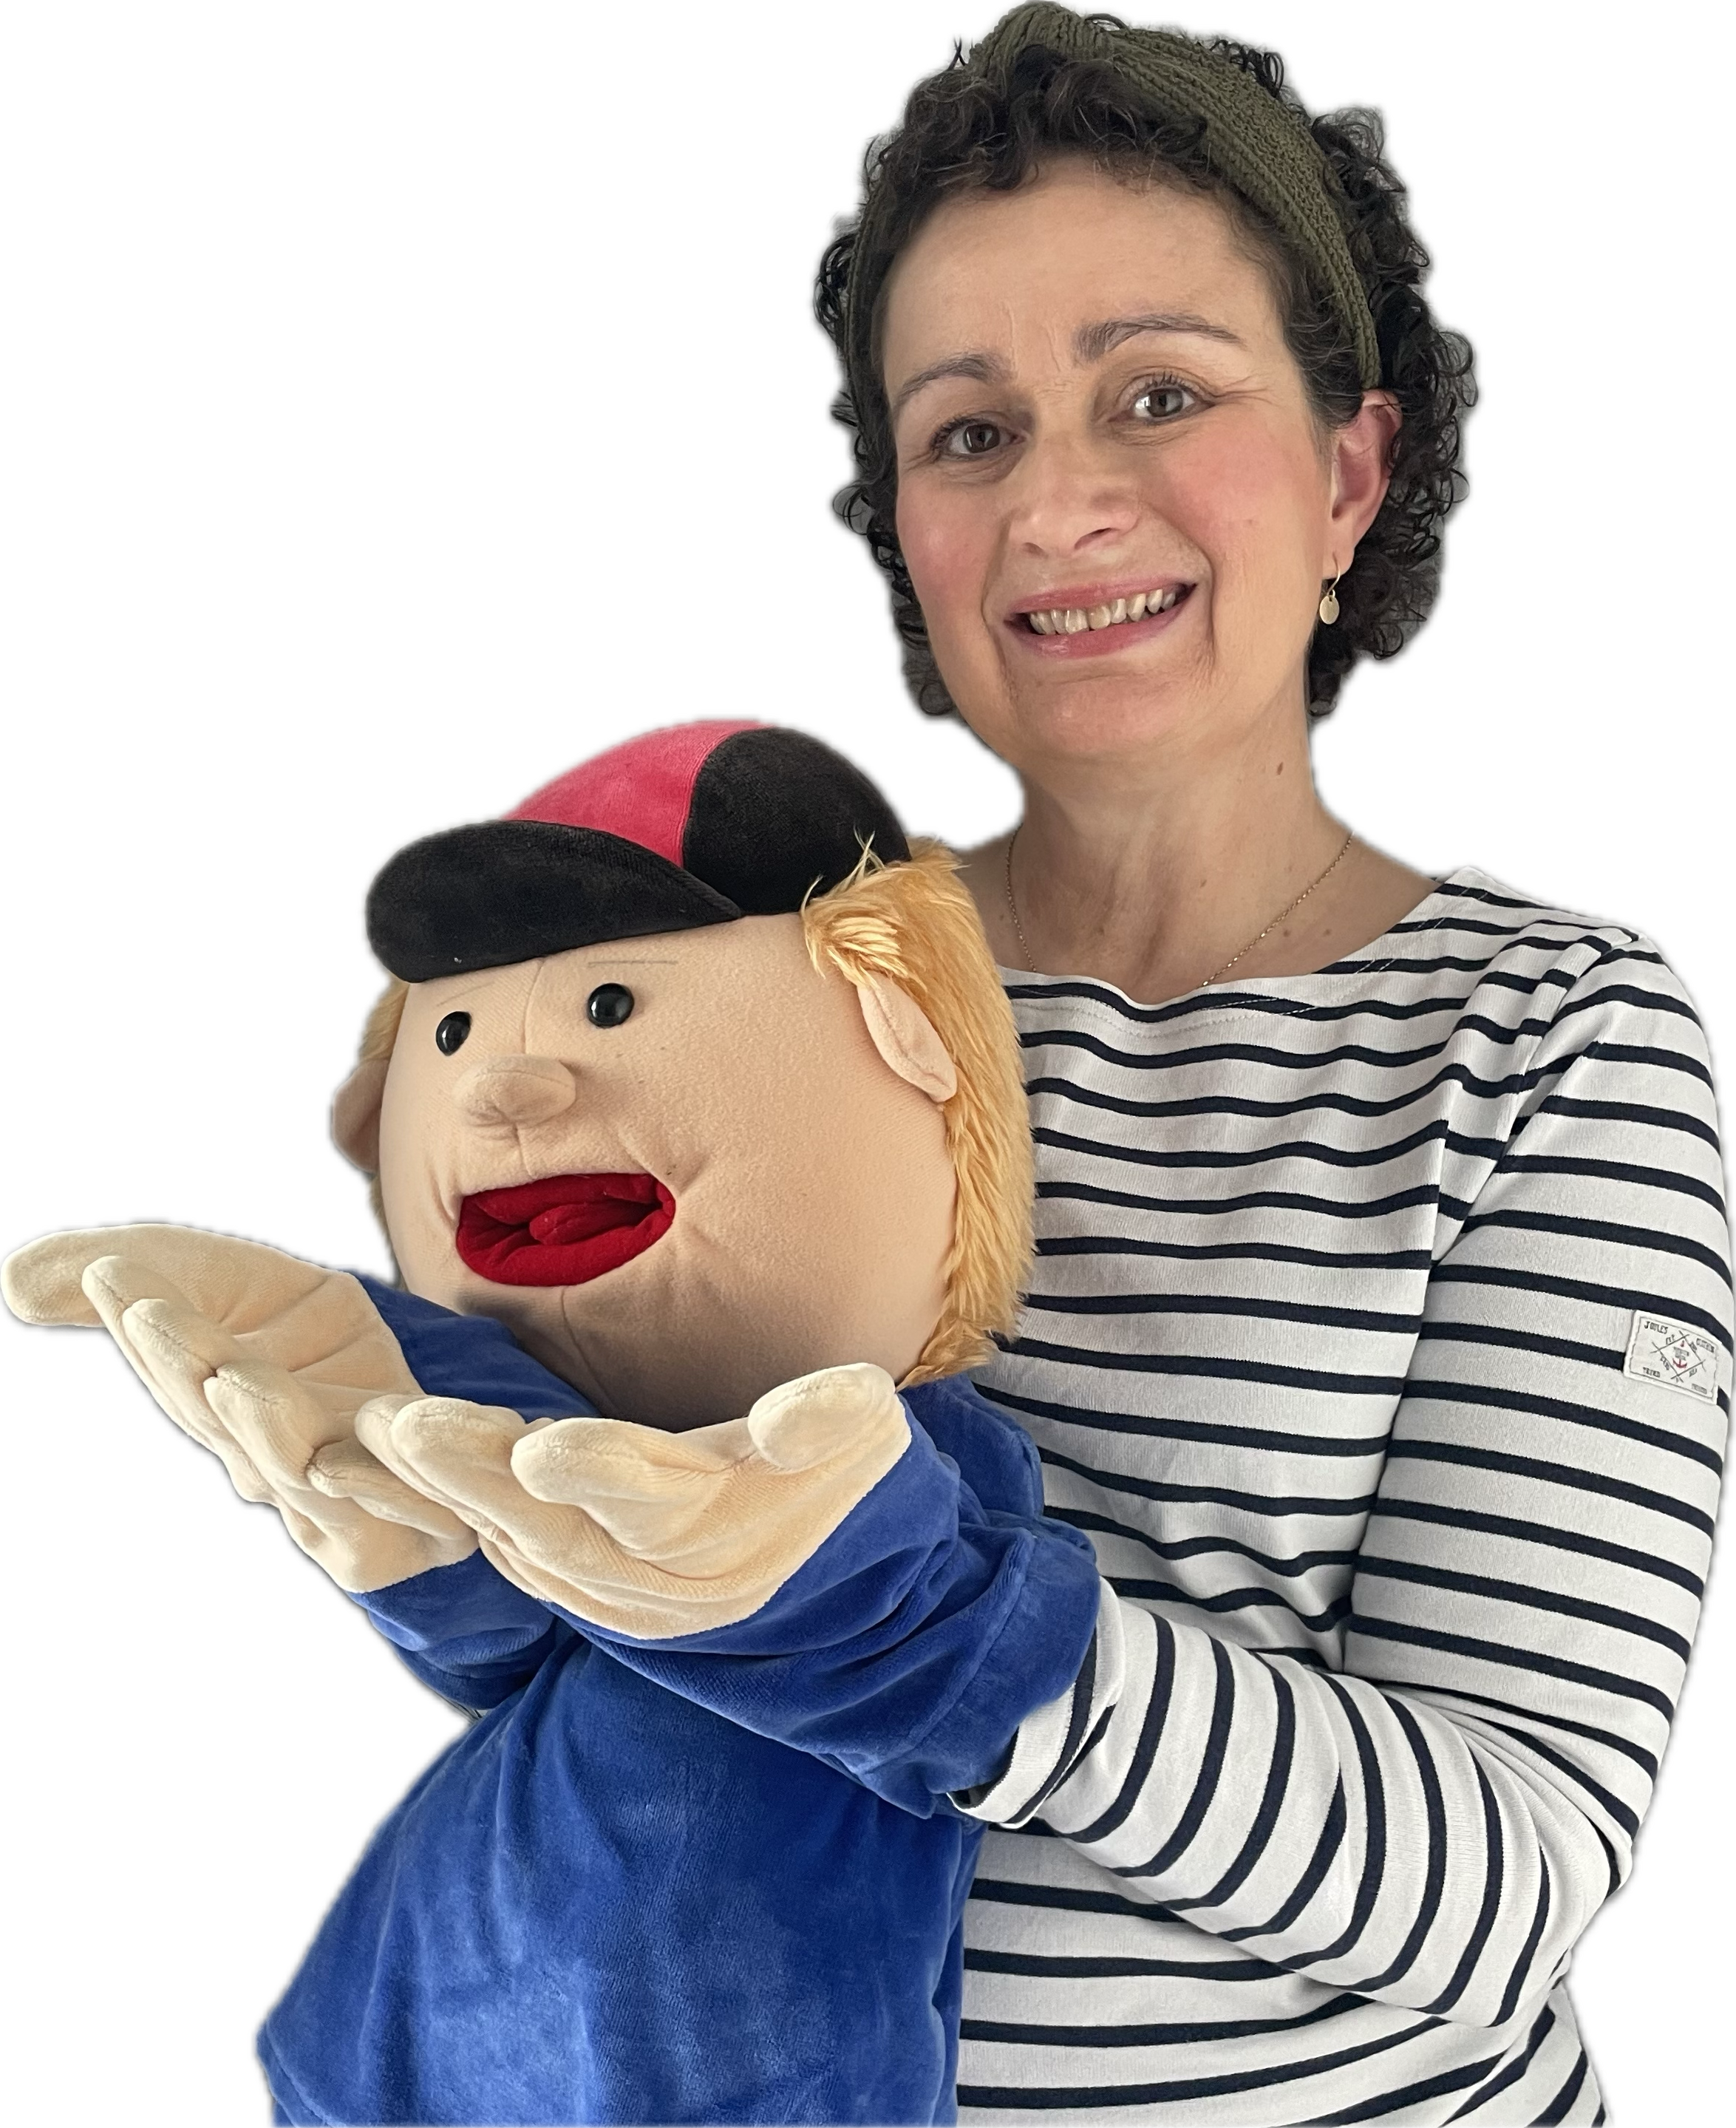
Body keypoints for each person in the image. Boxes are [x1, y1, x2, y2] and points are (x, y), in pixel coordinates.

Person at [802, 5, 1732, 2122]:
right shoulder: (785, 990)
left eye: (1159, 393)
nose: (1058, 505)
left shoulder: (1552, 1034)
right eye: (969, 432)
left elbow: (1508, 1884)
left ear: (1347, 476)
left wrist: (894, 1624)